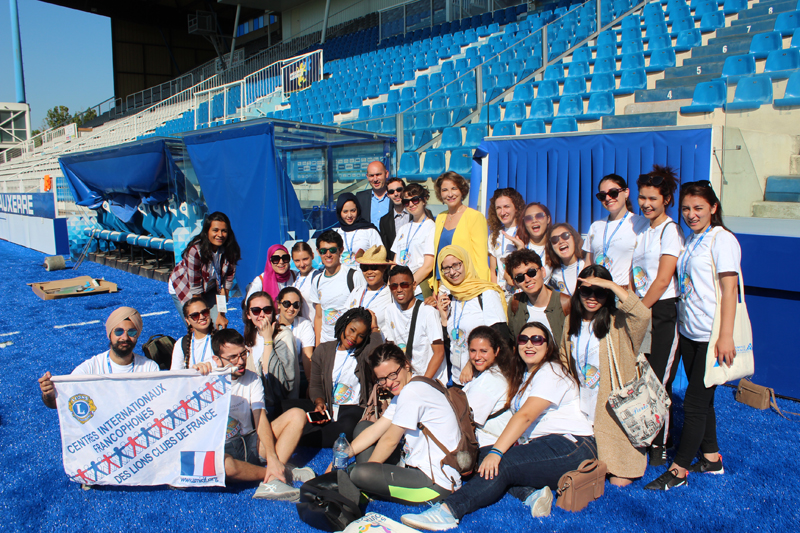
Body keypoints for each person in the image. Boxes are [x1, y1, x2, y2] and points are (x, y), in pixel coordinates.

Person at [400, 322, 595, 530]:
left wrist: (497, 452)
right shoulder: (526, 374)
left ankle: (448, 511)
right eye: (523, 339)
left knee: (501, 464)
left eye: (537, 340)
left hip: (571, 444)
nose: (529, 344)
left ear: (548, 346)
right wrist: (469, 364)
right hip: (546, 444)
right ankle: (530, 494)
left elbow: (526, 415)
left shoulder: (551, 371)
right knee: (486, 461)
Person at [645, 181, 741, 490]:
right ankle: (711, 457)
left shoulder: (722, 240)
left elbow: (730, 290)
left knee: (696, 404)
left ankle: (679, 470)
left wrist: (725, 336)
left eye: (698, 208)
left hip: (710, 335)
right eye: (686, 208)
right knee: (704, 400)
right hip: (688, 331)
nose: (691, 214)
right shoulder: (692, 238)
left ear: (713, 207)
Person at [193, 328, 308, 499]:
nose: (240, 361)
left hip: (250, 442)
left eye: (243, 354)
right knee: (223, 465)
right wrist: (195, 378)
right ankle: (275, 473)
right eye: (232, 357)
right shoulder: (205, 378)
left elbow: (260, 417)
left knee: (297, 414)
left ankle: (273, 475)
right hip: (224, 450)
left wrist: (271, 455)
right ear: (216, 359)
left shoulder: (252, 378)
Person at [563, 264, 650, 486]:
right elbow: (565, 360)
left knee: (619, 481)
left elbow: (642, 314)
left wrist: (611, 285)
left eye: (599, 292)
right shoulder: (570, 321)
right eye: (586, 291)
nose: (592, 297)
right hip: (582, 408)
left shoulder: (618, 321)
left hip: (612, 412)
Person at [346, 344, 464, 504]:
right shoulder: (410, 387)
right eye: (382, 379)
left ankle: (366, 488)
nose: (388, 383)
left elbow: (390, 440)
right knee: (363, 427)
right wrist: (342, 455)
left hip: (435, 485)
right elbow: (375, 430)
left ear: (406, 364)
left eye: (393, 374)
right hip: (416, 468)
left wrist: (367, 475)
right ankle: (368, 485)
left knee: (358, 474)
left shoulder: (412, 392)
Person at [631, 166, 684, 466]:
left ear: (666, 199)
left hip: (661, 310)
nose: (646, 203)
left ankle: (660, 443)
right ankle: (642, 434)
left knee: (658, 380)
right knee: (642, 377)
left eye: (653, 198)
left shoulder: (670, 230)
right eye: (642, 198)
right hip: (642, 309)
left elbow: (663, 279)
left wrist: (639, 310)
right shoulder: (642, 228)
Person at [284, 308, 383, 447]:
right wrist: (319, 402)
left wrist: (374, 328)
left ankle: (302, 438)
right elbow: (315, 385)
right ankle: (307, 432)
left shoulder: (364, 352)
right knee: (285, 407)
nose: (354, 338)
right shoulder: (324, 350)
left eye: (361, 335)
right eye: (352, 330)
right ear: (344, 324)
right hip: (327, 405)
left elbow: (378, 353)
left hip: (352, 408)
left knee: (347, 428)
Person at [39, 307, 158, 409]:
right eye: (118, 331)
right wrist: (48, 394)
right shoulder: (91, 368)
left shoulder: (149, 368)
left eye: (131, 332)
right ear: (110, 334)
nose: (125, 337)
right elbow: (63, 401)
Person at [434, 245, 511, 386]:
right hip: (458, 380)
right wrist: (444, 319)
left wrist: (471, 364)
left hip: (484, 379)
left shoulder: (485, 293)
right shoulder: (451, 298)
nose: (452, 272)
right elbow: (452, 343)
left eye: (456, 265)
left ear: (466, 263)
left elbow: (501, 337)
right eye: (446, 268)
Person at [168, 212, 240, 329]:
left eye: (224, 231)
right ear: (207, 231)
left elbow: (225, 288)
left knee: (219, 327)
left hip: (209, 286)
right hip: (185, 286)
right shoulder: (195, 251)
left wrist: (221, 315)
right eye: (215, 230)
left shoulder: (230, 250)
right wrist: (203, 318)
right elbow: (196, 293)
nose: (220, 235)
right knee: (199, 326)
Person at [583, 174, 649, 287]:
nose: (608, 198)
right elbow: (588, 264)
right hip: (598, 293)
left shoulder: (641, 224)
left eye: (613, 193)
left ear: (626, 192)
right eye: (602, 196)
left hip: (624, 292)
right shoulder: (596, 226)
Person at [383, 265, 446, 382]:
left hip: (431, 380)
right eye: (394, 286)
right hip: (407, 380)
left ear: (414, 285)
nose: (399, 289)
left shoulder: (428, 312)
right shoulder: (389, 311)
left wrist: (422, 382)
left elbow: (439, 353)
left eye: (404, 284)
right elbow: (393, 347)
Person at [461, 326, 521, 449]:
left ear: (496, 351)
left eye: (484, 351)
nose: (477, 357)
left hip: (488, 446)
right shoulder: (502, 369)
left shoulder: (489, 380)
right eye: (473, 351)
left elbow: (462, 416)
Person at [242, 291, 299, 415]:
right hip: (257, 407)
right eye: (256, 310)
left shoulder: (283, 335)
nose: (262, 315)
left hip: (280, 408)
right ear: (248, 315)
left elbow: (282, 384)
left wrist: (268, 340)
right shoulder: (250, 339)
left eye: (267, 310)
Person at [308, 230, 366, 344]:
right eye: (323, 251)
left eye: (333, 250)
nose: (328, 254)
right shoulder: (317, 280)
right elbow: (319, 317)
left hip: (349, 343)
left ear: (341, 250)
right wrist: (318, 346)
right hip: (326, 344)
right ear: (318, 253)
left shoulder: (354, 276)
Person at [432, 172, 489, 285]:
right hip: (443, 284)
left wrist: (482, 288)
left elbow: (481, 259)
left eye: (454, 188)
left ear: (462, 190)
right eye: (445, 190)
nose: (450, 194)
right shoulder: (440, 217)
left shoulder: (475, 217)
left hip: (467, 284)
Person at [505, 249, 569, 341]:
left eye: (531, 272)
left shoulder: (566, 304)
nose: (527, 280)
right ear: (515, 283)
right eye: (520, 277)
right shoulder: (515, 303)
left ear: (543, 271)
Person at [390, 183, 436, 298]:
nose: (411, 204)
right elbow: (394, 262)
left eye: (415, 200)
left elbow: (427, 266)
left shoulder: (431, 227)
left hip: (417, 290)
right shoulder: (403, 229)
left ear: (424, 200)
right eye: (406, 202)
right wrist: (393, 285)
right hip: (398, 289)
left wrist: (407, 286)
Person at [346, 245, 394, 334]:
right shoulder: (356, 291)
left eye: (374, 267)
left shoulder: (391, 294)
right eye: (364, 268)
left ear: (384, 268)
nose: (369, 272)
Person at [487, 188, 525, 295]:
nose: (502, 212)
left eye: (506, 207)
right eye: (498, 208)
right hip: (502, 294)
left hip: (521, 292)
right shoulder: (494, 236)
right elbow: (493, 270)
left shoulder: (524, 232)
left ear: (516, 207)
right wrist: (495, 293)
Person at [506, 202, 556, 284]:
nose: (534, 220)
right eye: (528, 218)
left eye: (539, 216)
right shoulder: (517, 245)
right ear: (524, 223)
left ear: (548, 219)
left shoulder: (554, 247)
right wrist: (520, 252)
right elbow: (510, 280)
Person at [276, 287, 315, 386]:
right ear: (278, 304)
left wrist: (310, 383)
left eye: (296, 305)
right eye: (286, 304)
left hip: (298, 374)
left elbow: (307, 356)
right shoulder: (272, 323)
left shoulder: (304, 324)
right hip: (276, 375)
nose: (291, 308)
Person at [335, 192, 384, 267]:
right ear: (339, 212)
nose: (349, 215)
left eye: (353, 210)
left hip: (364, 276)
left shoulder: (369, 230)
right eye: (345, 211)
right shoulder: (337, 233)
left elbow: (380, 256)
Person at [170, 296, 215, 370]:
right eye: (195, 315)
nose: (202, 317)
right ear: (187, 320)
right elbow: (175, 376)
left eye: (205, 312)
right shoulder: (181, 344)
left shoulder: (222, 338)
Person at [547, 223, 585, 297]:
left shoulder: (587, 264)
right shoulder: (553, 275)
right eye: (554, 239)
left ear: (574, 238)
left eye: (565, 236)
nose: (561, 241)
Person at [291, 241, 322, 323]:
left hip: (315, 328)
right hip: (299, 330)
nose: (301, 264)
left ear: (312, 255)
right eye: (297, 260)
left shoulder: (318, 277)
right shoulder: (295, 277)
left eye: (305, 259)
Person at [378, 176, 409, 255]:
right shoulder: (384, 221)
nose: (396, 194)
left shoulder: (416, 214)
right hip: (395, 264)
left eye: (399, 190)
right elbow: (386, 249)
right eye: (391, 192)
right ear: (388, 194)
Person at [356, 160, 391, 227]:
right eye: (371, 175)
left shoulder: (395, 195)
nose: (375, 179)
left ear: (386, 174)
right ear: (367, 176)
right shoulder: (360, 198)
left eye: (378, 174)